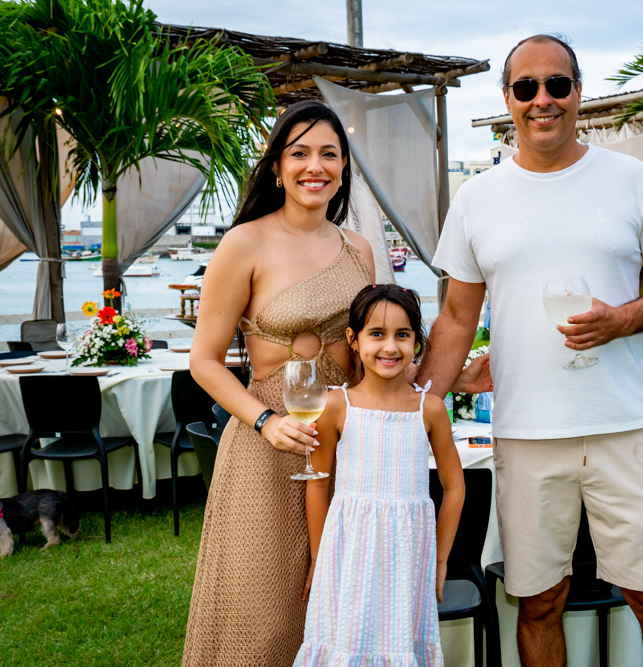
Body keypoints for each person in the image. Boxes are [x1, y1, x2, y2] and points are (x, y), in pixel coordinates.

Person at [419, 34, 643, 666]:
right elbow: (457, 318)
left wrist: (621, 320)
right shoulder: (476, 199)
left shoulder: (629, 180)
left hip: (621, 425)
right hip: (525, 433)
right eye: (526, 88)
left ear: (578, 93)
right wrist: (417, 405)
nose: (542, 100)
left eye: (557, 85)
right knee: (539, 601)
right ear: (507, 100)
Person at [182, 101, 377, 667]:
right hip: (267, 443)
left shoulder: (358, 249)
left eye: (329, 154)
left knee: (341, 606)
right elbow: (205, 361)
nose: (314, 166)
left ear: (343, 167)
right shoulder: (244, 243)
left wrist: (448, 377)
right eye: (299, 153)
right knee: (262, 616)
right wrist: (266, 422)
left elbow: (370, 355)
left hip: (346, 443)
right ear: (276, 167)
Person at [294, 285, 464, 665]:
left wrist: (438, 560)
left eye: (402, 335)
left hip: (408, 558)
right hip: (349, 554)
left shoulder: (430, 409)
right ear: (353, 340)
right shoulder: (336, 405)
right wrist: (322, 561)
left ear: (417, 343)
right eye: (377, 334)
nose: (390, 347)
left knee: (400, 641)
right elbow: (318, 485)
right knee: (347, 641)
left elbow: (454, 487)